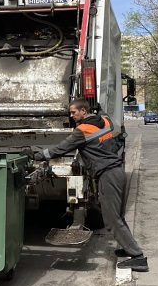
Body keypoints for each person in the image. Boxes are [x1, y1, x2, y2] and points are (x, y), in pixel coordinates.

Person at [28, 98, 148, 272]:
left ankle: (138, 257)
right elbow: (107, 119)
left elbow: (61, 149)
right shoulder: (105, 122)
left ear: (84, 111)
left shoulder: (82, 130)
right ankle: (128, 248)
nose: (71, 115)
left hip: (107, 175)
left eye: (73, 112)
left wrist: (36, 155)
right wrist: (98, 110)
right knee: (118, 216)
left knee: (111, 220)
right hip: (117, 171)